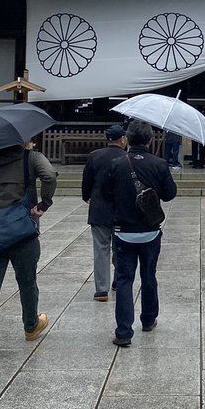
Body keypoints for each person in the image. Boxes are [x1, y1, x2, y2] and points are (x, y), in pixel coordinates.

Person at [0, 138, 57, 360]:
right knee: (27, 281)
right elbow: (49, 175)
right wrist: (44, 204)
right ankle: (31, 325)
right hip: (23, 230)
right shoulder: (31, 158)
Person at [104, 119, 177, 346]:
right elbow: (170, 194)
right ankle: (148, 318)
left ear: (127, 138)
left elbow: (105, 195)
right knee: (148, 275)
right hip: (150, 231)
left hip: (123, 231)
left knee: (124, 280)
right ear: (150, 140)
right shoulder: (159, 164)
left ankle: (123, 332)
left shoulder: (116, 164)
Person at [81, 123, 127, 302]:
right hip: (121, 210)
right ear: (122, 139)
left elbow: (87, 179)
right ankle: (117, 280)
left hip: (99, 208)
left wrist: (86, 196)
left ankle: (101, 289)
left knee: (101, 249)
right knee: (120, 248)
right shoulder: (127, 157)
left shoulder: (95, 156)